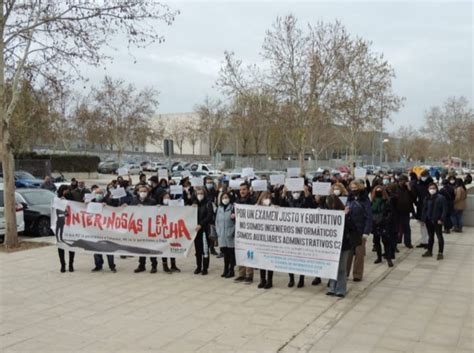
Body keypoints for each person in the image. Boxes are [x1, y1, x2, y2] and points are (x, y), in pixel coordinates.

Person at [326, 195, 358, 297]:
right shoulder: (328, 212)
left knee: (342, 268)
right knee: (332, 267)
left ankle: (341, 289)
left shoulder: (346, 212)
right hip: (331, 245)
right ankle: (332, 287)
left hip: (344, 244)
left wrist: (346, 216)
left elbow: (352, 227)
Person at [346, 179, 372, 282]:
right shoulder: (349, 198)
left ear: (360, 188)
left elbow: (369, 216)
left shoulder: (365, 200)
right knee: (348, 254)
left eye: (355, 188)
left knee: (359, 254)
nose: (353, 190)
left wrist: (366, 231)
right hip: (350, 230)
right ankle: (345, 273)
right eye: (351, 188)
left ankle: (357, 274)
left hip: (360, 231)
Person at [234, 182, 257, 284]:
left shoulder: (252, 201)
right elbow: (233, 213)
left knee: (249, 252)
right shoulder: (237, 201)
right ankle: (241, 274)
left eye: (244, 189)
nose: (242, 191)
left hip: (249, 231)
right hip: (240, 231)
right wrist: (233, 215)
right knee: (240, 252)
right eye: (240, 190)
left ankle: (249, 275)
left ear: (248, 190)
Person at [90, 188, 117, 273]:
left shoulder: (108, 200)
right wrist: (86, 204)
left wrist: (108, 205)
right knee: (96, 247)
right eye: (97, 193)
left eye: (100, 193)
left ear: (103, 194)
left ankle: (112, 266)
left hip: (106, 228)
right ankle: (98, 265)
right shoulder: (92, 201)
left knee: (108, 247)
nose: (98, 195)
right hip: (96, 228)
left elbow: (115, 208)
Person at [133, 186, 159, 273]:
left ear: (147, 192)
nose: (143, 193)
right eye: (141, 191)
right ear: (138, 192)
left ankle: (154, 265)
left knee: (151, 247)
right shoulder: (134, 201)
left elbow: (156, 212)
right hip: (139, 228)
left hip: (150, 227)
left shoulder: (152, 201)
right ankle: (141, 265)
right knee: (141, 247)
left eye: (145, 191)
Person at [421, 183, 448, 260]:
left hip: (437, 220)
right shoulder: (427, 198)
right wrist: (423, 219)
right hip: (428, 220)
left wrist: (442, 219)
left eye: (433, 188)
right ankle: (429, 251)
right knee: (430, 237)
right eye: (430, 188)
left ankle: (440, 253)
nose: (432, 190)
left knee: (439, 236)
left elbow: (444, 210)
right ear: (428, 189)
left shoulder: (441, 198)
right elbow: (424, 209)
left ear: (436, 189)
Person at [255, 191, 275, 289]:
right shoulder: (256, 207)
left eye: (269, 197)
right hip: (260, 238)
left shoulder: (272, 207)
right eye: (265, 197)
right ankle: (262, 279)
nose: (267, 199)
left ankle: (270, 280)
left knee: (269, 260)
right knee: (261, 260)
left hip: (270, 238)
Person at [371, 186, 394, 267]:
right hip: (375, 223)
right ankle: (379, 257)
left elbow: (390, 212)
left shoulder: (386, 201)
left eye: (380, 191)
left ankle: (389, 258)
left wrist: (385, 220)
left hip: (383, 224)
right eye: (376, 191)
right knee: (376, 241)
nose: (378, 192)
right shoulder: (372, 201)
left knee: (386, 241)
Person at [193, 188, 214, 275]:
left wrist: (201, 224)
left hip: (205, 229)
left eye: (201, 193)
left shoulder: (208, 203)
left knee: (205, 249)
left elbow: (209, 216)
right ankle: (198, 266)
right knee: (198, 249)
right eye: (198, 193)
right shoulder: (194, 203)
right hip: (196, 231)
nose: (200, 195)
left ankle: (205, 267)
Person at [215, 191, 236, 278]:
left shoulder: (233, 208)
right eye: (223, 198)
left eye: (226, 197)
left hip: (230, 235)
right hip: (222, 235)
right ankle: (225, 269)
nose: (225, 199)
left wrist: (232, 231)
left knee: (231, 254)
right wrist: (218, 231)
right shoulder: (219, 208)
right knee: (225, 254)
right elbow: (216, 221)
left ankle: (231, 270)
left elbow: (236, 222)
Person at [55, 185, 75, 273]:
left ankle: (71, 264)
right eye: (65, 191)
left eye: (67, 191)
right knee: (61, 245)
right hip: (60, 221)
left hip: (70, 224)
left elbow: (75, 206)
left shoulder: (70, 197)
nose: (66, 192)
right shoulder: (57, 199)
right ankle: (63, 265)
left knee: (71, 246)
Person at [160, 192, 181, 273]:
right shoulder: (159, 207)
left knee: (172, 247)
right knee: (164, 247)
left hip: (172, 229)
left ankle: (173, 265)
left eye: (168, 197)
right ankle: (165, 266)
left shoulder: (173, 207)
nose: (166, 199)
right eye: (165, 197)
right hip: (163, 231)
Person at [413, 170, 433, 249]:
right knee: (422, 225)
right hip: (420, 206)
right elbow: (414, 194)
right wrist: (416, 203)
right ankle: (423, 241)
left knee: (429, 225)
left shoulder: (431, 184)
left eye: (424, 176)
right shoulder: (418, 183)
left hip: (429, 206)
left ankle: (429, 241)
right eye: (422, 175)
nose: (423, 177)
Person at [394, 175, 414, 249]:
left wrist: (409, 188)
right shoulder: (395, 188)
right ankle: (395, 244)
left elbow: (413, 197)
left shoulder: (408, 189)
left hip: (406, 211)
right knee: (396, 228)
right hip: (397, 211)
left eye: (404, 181)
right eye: (401, 181)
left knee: (407, 228)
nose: (402, 182)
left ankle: (408, 242)